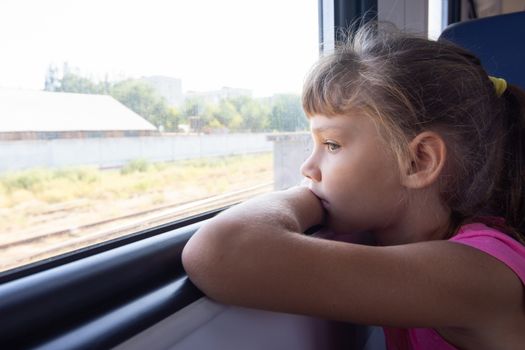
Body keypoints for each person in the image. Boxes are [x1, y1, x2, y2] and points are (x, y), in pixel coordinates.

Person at [182, 24, 525, 349]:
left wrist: (303, 197)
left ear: (418, 161)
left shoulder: (476, 272)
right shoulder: (406, 243)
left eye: (331, 145)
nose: (308, 168)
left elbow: (223, 252)